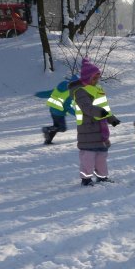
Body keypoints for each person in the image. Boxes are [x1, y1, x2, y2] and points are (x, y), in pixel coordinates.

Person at [71, 57, 120, 186]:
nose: (97, 80)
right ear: (87, 77)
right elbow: (87, 108)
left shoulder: (98, 91)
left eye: (98, 77)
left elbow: (105, 109)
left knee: (101, 157)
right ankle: (86, 179)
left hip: (101, 130)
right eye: (94, 77)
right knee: (88, 157)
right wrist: (100, 112)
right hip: (88, 130)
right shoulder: (80, 91)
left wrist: (112, 119)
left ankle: (102, 177)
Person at [36, 74, 78, 144]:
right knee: (62, 128)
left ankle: (48, 141)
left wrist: (38, 94)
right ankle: (47, 129)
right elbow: (67, 106)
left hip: (53, 110)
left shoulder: (61, 86)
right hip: (59, 112)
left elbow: (49, 93)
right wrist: (77, 114)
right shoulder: (70, 92)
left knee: (56, 126)